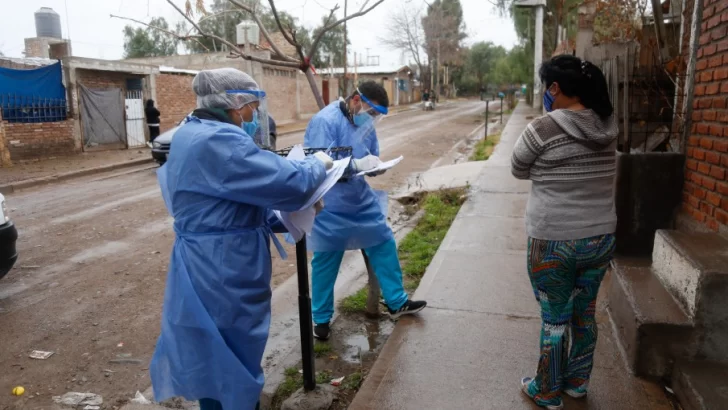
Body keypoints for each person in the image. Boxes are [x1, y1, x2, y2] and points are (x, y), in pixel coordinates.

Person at [149, 68, 333, 410]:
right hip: (224, 265)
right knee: (234, 350)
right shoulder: (221, 140)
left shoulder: (191, 132)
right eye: (250, 106)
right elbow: (291, 183)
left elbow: (224, 202)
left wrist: (280, 219)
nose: (253, 115)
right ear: (234, 103)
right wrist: (319, 164)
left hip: (202, 257)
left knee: (211, 351)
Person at [511, 55, 618, 410]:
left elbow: (517, 167)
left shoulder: (544, 128)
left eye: (546, 87)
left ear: (555, 88)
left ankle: (546, 391)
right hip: (600, 238)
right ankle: (576, 383)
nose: (545, 93)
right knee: (584, 314)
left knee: (555, 317)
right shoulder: (607, 123)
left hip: (554, 240)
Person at [304, 81, 427, 341]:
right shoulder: (324, 122)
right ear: (356, 100)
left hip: (359, 197)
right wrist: (354, 164)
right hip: (331, 200)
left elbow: (372, 154)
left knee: (382, 241)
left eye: (376, 116)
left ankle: (396, 301)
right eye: (371, 113)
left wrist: (376, 165)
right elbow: (318, 163)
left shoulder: (366, 124)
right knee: (326, 257)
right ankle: (321, 319)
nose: (372, 120)